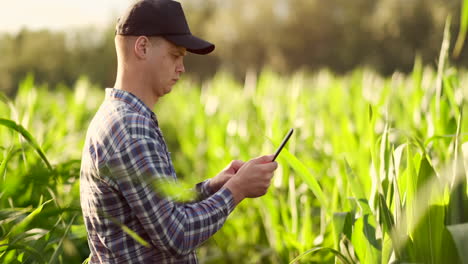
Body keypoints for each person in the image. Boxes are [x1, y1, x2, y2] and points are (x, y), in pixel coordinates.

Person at [79, 0, 278, 263]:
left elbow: (156, 210)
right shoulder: (130, 129)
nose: (181, 67)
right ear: (142, 47)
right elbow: (176, 235)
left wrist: (213, 187)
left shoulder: (118, 117)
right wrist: (238, 189)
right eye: (176, 55)